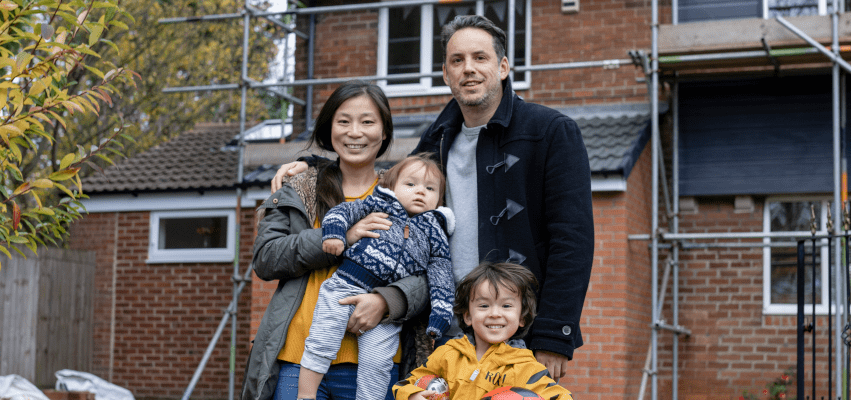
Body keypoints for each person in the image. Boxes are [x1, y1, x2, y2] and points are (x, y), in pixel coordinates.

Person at [273, 15, 594, 379]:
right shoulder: (436, 139)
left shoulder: (551, 132)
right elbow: (390, 181)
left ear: (503, 67)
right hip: (442, 334)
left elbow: (573, 240)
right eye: (457, 61)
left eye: (480, 58)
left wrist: (554, 335)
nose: (468, 69)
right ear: (445, 73)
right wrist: (312, 166)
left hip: (519, 332)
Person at [243, 81, 432, 400]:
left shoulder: (407, 193)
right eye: (343, 121)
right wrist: (338, 238)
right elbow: (266, 258)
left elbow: (431, 273)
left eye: (368, 121)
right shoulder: (300, 188)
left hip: (372, 367)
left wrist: (390, 301)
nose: (355, 132)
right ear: (329, 128)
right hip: (296, 361)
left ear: (384, 132)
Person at [298, 154, 457, 400]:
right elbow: (342, 211)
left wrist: (441, 315)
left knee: (378, 363)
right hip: (346, 285)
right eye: (411, 184)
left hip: (385, 311)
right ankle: (305, 395)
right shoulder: (379, 204)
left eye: (430, 188)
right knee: (322, 341)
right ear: (392, 187)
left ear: (439, 198)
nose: (420, 192)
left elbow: (442, 275)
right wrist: (334, 234)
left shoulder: (435, 233)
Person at [391, 262, 574, 400]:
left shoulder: (525, 367)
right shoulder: (448, 353)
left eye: (506, 305)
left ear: (522, 318)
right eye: (484, 305)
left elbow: (560, 396)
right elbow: (408, 382)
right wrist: (413, 395)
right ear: (467, 316)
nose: (495, 314)